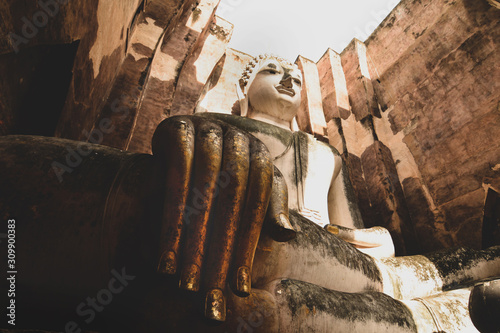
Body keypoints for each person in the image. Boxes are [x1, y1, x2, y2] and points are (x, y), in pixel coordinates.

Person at [1, 54, 499, 332]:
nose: (286, 78)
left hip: (351, 266)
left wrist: (383, 240)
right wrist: (188, 141)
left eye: (294, 77)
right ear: (246, 86)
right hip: (249, 248)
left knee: (477, 266)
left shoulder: (327, 155)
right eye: (272, 71)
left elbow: (347, 227)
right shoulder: (218, 125)